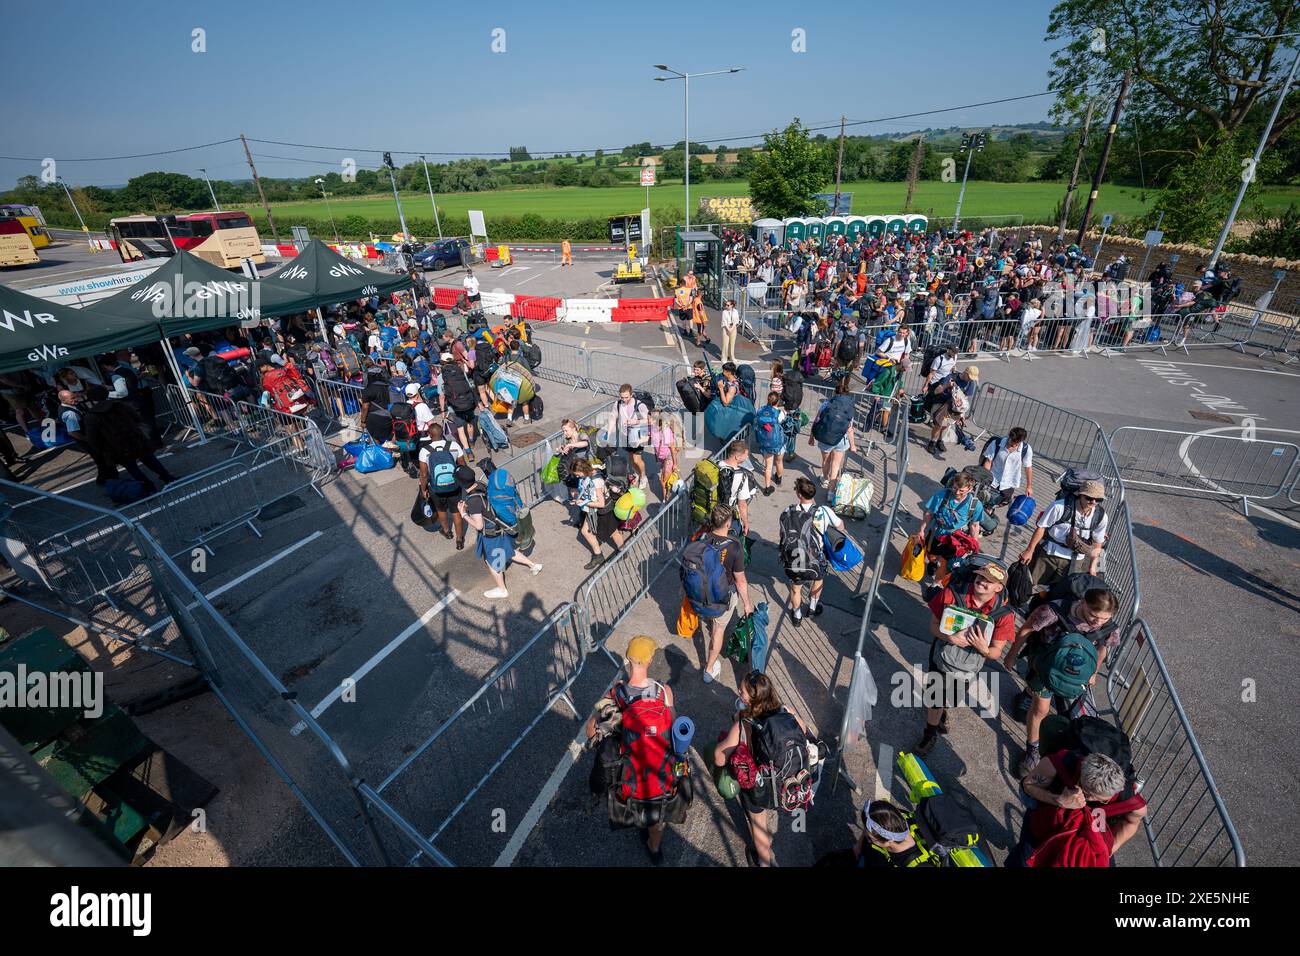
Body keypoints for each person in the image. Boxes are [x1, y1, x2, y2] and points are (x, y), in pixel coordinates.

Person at [1006, 586, 1121, 777]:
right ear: (1083, 602)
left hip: (1075, 673)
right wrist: (1012, 654)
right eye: (1093, 615)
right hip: (1044, 668)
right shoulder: (1053, 611)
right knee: (1041, 710)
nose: (1097, 623)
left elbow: (1102, 648)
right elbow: (1027, 629)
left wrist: (1094, 671)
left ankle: (1027, 695)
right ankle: (1033, 750)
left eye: (1104, 618)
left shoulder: (1108, 628)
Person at [586, 636, 677, 865]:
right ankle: (654, 849)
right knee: (657, 821)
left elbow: (592, 732)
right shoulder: (663, 692)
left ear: (628, 660)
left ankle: (635, 818)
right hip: (660, 773)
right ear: (650, 660)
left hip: (631, 773)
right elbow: (674, 728)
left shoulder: (618, 694)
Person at [917, 559, 1015, 756]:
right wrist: (950, 637)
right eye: (980, 576)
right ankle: (930, 733)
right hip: (942, 657)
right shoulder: (950, 594)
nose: (982, 581)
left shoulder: (1004, 615)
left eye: (988, 580)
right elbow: (933, 626)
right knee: (935, 696)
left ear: (998, 587)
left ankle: (943, 709)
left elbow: (996, 652)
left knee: (952, 698)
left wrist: (983, 649)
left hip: (969, 666)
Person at [711, 671, 809, 866]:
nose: (739, 691)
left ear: (753, 700)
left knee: (759, 827)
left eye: (743, 692)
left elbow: (719, 758)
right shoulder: (785, 712)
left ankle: (763, 861)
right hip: (788, 781)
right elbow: (803, 730)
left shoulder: (744, 725)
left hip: (759, 787)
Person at [1009, 750, 1147, 867]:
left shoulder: (1126, 796)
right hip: (1044, 829)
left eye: (1103, 800)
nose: (1090, 800)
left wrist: (1111, 847)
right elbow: (1028, 785)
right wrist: (1058, 800)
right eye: (1088, 795)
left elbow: (1133, 820)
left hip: (1088, 842)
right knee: (1023, 862)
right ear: (1081, 777)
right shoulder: (1061, 762)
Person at [688, 504, 753, 683]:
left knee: (712, 621)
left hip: (702, 591)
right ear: (727, 523)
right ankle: (708, 670)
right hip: (723, 596)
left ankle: (709, 618)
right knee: (718, 630)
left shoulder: (703, 537)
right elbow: (740, 580)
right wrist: (747, 603)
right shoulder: (734, 546)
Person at [457, 462, 542, 599]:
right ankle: (533, 565)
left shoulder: (472, 500)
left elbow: (479, 525)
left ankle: (502, 590)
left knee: (492, 563)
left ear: (460, 484)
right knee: (509, 551)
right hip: (503, 526)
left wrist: (464, 514)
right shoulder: (482, 485)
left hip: (492, 535)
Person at [81, 388, 178, 494]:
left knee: (132, 468)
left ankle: (148, 486)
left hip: (115, 446)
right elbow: (137, 418)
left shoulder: (91, 416)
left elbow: (92, 438)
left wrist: (100, 451)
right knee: (150, 459)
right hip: (134, 439)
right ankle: (167, 477)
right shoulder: (120, 405)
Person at [1019, 479, 1109, 587]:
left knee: (1060, 593)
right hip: (1049, 553)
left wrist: (1093, 565)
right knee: (1028, 584)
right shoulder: (1059, 507)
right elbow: (1041, 527)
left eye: (1098, 499)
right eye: (1089, 498)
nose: (1093, 502)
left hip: (1075, 560)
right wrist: (1030, 550)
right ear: (1080, 495)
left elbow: (1098, 542)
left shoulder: (1101, 516)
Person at [782, 476, 844, 624]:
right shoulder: (823, 510)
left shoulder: (788, 510)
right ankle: (812, 608)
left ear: (799, 494)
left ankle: (796, 616)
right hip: (816, 558)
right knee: (818, 580)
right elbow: (841, 526)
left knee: (796, 588)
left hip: (795, 557)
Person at [418, 422, 467, 547]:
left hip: (436, 487)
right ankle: (460, 539)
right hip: (454, 485)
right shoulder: (454, 445)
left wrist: (424, 489)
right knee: (456, 511)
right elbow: (462, 466)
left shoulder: (424, 451)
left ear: (429, 435)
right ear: (442, 434)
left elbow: (423, 474)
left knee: (441, 510)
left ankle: (446, 531)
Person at [56, 389, 116, 483]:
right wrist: (88, 439)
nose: (76, 399)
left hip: (88, 438)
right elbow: (72, 432)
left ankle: (106, 478)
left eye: (75, 396)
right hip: (86, 440)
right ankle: (109, 479)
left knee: (101, 460)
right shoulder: (70, 414)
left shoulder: (68, 406)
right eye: (72, 398)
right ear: (64, 401)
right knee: (102, 459)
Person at [809, 375, 857, 489]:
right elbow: (849, 429)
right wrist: (853, 445)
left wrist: (811, 436)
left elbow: (817, 420)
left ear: (835, 393)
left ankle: (825, 479)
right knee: (835, 466)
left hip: (825, 436)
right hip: (841, 439)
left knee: (826, 461)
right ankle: (831, 492)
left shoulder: (826, 404)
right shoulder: (849, 407)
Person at [925, 365, 978, 457]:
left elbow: (965, 399)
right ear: (965, 373)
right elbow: (936, 391)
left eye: (972, 378)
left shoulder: (971, 383)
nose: (970, 380)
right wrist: (947, 385)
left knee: (946, 425)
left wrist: (962, 414)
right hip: (941, 403)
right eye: (969, 377)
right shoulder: (951, 377)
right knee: (938, 425)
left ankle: (940, 440)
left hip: (953, 408)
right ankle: (932, 442)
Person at [572, 458, 615, 570]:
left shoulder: (596, 481)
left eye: (578, 474)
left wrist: (584, 502)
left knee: (613, 533)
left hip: (601, 510)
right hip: (592, 510)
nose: (578, 477)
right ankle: (598, 555)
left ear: (584, 470)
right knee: (586, 531)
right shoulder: (588, 475)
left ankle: (622, 550)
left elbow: (601, 503)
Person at [980, 427, 1034, 508]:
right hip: (992, 481)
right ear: (1009, 436)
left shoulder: (1026, 449)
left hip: (1009, 485)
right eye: (1012, 441)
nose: (1013, 445)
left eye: (1017, 443)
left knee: (996, 504)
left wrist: (1029, 486)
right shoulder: (996, 443)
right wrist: (985, 480)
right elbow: (988, 461)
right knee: (985, 504)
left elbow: (1028, 468)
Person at [614, 384, 650, 486]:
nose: (624, 399)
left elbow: (651, 420)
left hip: (637, 436)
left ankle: (643, 476)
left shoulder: (640, 405)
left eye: (627, 397)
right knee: (630, 457)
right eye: (622, 397)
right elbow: (614, 416)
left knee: (636, 459)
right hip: (625, 435)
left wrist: (636, 422)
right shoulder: (619, 404)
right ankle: (636, 473)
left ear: (631, 394)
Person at [756, 392, 787, 494]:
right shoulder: (780, 413)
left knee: (768, 466)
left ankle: (767, 488)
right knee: (779, 461)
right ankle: (778, 479)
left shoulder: (760, 410)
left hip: (766, 441)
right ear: (777, 401)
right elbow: (782, 422)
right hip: (778, 441)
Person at [649, 409, 681, 501]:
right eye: (649, 417)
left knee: (663, 482)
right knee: (668, 479)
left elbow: (672, 448)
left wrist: (675, 464)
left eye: (652, 418)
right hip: (661, 457)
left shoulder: (665, 431)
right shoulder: (652, 427)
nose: (649, 420)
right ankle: (673, 495)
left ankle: (665, 502)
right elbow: (653, 442)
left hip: (668, 457)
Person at [720, 299, 741, 364]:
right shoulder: (724, 312)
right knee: (725, 344)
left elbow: (736, 320)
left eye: (728, 305)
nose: (726, 306)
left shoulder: (735, 311)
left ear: (732, 305)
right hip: (726, 328)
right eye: (726, 305)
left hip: (733, 328)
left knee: (732, 343)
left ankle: (732, 357)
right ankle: (724, 358)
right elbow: (724, 321)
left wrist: (732, 328)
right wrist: (728, 329)